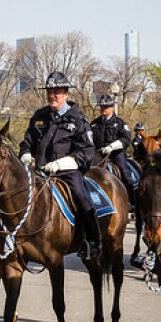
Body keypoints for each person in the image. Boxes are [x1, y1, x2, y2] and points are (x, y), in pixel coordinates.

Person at [19, 71, 101, 261]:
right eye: (49, 91)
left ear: (65, 93)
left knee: (81, 197)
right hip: (38, 173)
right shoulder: (39, 117)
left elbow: (86, 153)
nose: (52, 95)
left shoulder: (78, 119)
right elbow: (26, 143)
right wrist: (26, 156)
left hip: (67, 173)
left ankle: (92, 240)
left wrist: (59, 164)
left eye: (56, 91)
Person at [90, 93, 135, 195]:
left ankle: (131, 199)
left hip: (116, 154)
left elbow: (126, 139)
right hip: (98, 154)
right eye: (101, 107)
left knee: (124, 172)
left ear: (112, 108)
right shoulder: (94, 124)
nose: (103, 109)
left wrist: (112, 147)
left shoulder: (120, 123)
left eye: (106, 107)